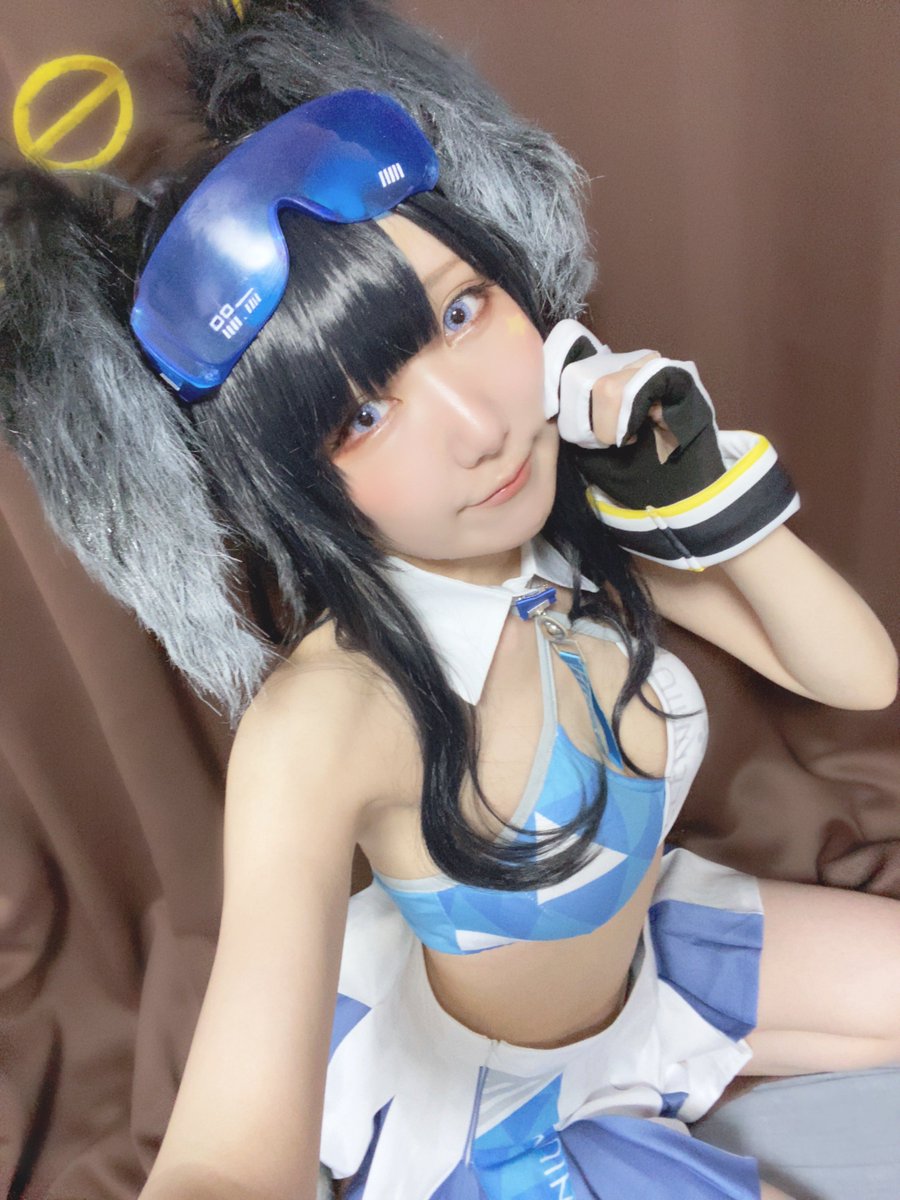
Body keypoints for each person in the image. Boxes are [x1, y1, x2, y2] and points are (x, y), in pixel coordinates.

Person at [1, 4, 897, 1200]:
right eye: (362, 416)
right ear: (290, 483)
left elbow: (859, 678)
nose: (480, 427)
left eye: (464, 310)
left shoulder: (571, 518)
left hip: (650, 967)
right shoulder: (326, 720)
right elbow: (222, 1161)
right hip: (488, 1104)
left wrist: (703, 492)